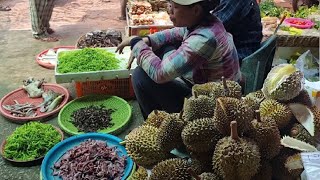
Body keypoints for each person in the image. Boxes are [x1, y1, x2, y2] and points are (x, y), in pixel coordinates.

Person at [116, 0, 241, 119]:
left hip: (211, 105)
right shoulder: (206, 21)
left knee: (140, 75)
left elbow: (159, 73)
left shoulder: (204, 39)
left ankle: (155, 122)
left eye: (175, 7)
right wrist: (146, 40)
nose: (169, 10)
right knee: (165, 46)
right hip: (201, 84)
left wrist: (136, 43)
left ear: (196, 10)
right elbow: (175, 33)